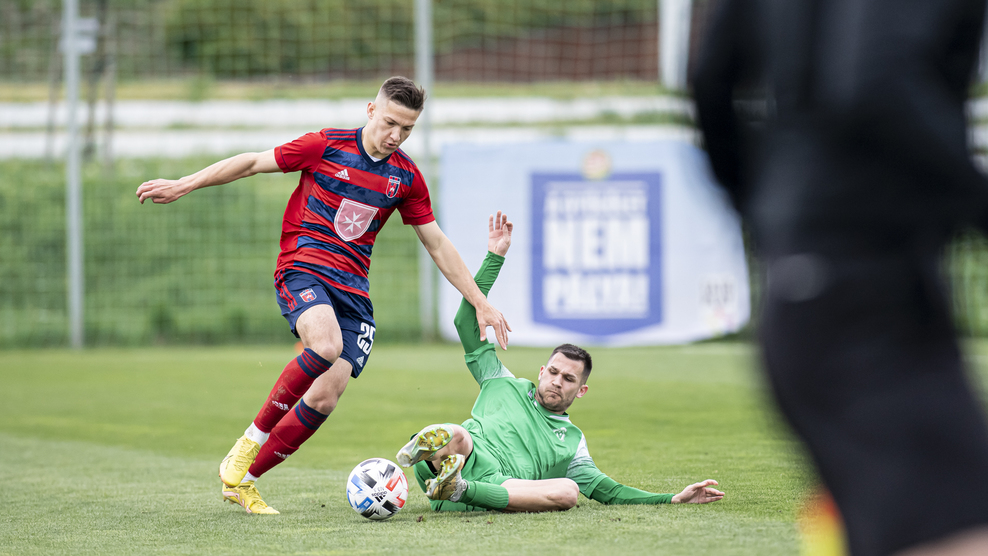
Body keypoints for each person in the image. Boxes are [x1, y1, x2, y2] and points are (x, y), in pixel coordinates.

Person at [135, 76, 511, 514]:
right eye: (390, 123)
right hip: (304, 266)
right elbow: (252, 162)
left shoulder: (406, 177)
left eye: (407, 129)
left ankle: (245, 483)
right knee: (326, 345)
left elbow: (437, 243)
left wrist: (481, 301)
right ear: (371, 111)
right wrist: (184, 183)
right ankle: (249, 441)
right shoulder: (325, 146)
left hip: (353, 290)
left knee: (324, 396)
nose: (396, 135)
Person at [693, 1, 988, 554]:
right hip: (865, 304)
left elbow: (711, 77)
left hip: (820, 294)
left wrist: (774, 216)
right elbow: (875, 80)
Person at [393, 211, 725, 512]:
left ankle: (457, 487)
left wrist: (671, 498)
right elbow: (466, 322)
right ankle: (429, 452)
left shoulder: (573, 442)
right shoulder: (500, 382)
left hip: (496, 488)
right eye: (553, 372)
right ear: (542, 371)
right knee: (458, 436)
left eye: (568, 379)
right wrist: (495, 257)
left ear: (581, 391)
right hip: (463, 459)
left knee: (568, 491)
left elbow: (607, 490)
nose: (556, 381)